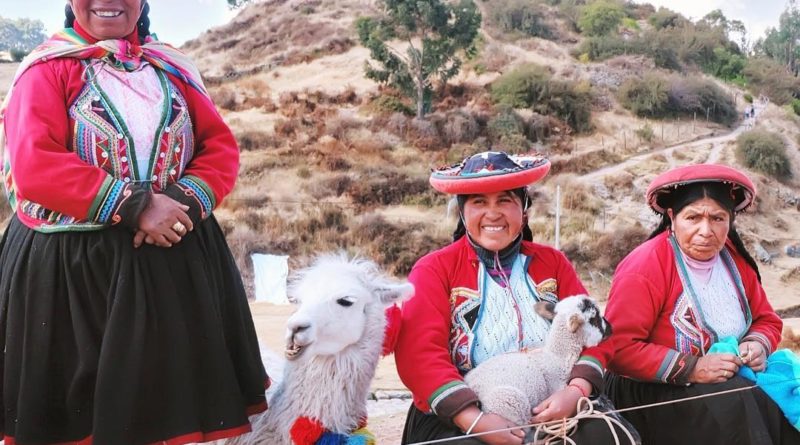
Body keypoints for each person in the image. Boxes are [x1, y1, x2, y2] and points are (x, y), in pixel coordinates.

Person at [0, 1, 268, 444]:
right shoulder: (46, 71)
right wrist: (137, 206)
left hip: (173, 260)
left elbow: (219, 148)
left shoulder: (171, 68)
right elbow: (35, 164)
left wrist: (178, 203)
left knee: (165, 414)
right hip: (75, 275)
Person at [394, 151, 625, 445]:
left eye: (505, 200)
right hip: (462, 412)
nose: (493, 214)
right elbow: (420, 356)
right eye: (479, 202)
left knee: (607, 436)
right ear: (463, 213)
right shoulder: (434, 269)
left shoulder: (552, 263)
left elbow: (595, 332)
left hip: (555, 399)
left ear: (524, 210)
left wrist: (575, 391)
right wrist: (474, 420)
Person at [603, 164, 800, 444]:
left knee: (782, 398)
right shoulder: (645, 266)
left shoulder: (735, 261)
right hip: (651, 390)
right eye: (693, 217)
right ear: (672, 216)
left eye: (718, 218)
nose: (706, 231)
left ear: (730, 220)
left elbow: (766, 319)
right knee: (737, 403)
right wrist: (694, 368)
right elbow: (618, 349)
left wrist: (756, 345)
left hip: (726, 381)